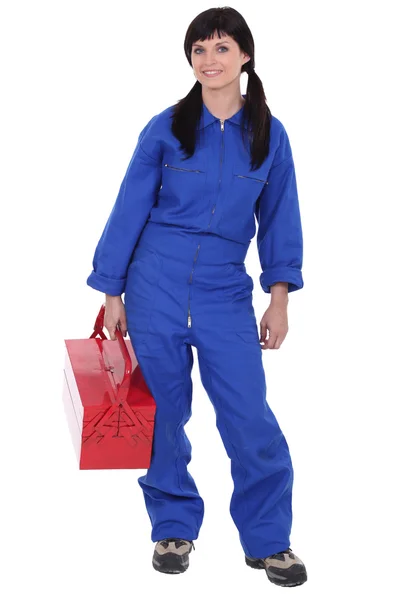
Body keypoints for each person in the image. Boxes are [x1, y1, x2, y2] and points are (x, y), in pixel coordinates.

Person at [86, 6, 307, 587]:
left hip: (223, 291)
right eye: (199, 50)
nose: (209, 60)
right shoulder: (166, 126)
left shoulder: (269, 134)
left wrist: (278, 297)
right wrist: (112, 289)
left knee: (248, 416)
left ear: (245, 56)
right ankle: (173, 527)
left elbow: (280, 217)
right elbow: (130, 204)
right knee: (162, 416)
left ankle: (269, 541)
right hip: (154, 283)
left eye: (221, 49)